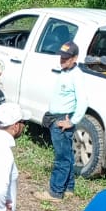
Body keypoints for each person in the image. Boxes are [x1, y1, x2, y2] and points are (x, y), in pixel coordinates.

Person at [36, 40, 87, 201]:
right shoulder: (65, 72)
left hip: (62, 120)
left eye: (66, 58)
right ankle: (68, 187)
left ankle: (55, 192)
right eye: (61, 57)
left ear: (75, 58)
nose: (62, 60)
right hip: (57, 117)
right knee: (67, 155)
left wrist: (72, 121)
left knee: (61, 158)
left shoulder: (76, 76)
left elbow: (83, 102)